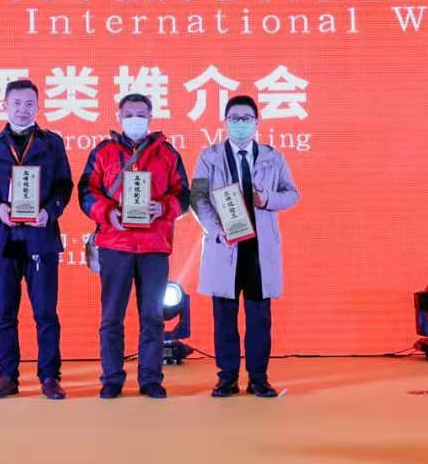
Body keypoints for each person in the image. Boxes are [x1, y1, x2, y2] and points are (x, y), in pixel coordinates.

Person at [0, 79, 74, 400]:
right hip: (3, 239)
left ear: (38, 107)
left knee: (46, 313)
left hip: (41, 237)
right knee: (4, 314)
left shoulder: (51, 143)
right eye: (17, 103)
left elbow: (64, 185)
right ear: (4, 106)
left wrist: (50, 211)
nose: (23, 109)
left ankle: (50, 377)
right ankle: (7, 376)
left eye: (29, 104)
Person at [77, 93, 190, 399]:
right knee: (111, 318)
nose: (135, 119)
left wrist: (163, 207)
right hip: (115, 244)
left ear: (151, 117)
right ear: (119, 116)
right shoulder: (103, 152)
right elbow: (86, 192)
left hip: (154, 246)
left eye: (141, 114)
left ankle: (150, 379)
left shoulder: (167, 153)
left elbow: (184, 195)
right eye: (129, 114)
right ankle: (111, 379)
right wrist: (107, 213)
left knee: (152, 317)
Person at [190, 94, 300, 398]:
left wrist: (267, 200)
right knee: (224, 316)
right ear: (225, 122)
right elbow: (197, 196)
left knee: (259, 317)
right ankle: (226, 378)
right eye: (234, 119)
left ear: (256, 123)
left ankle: (258, 378)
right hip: (225, 246)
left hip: (259, 250)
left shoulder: (272, 157)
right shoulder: (209, 156)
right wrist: (216, 230)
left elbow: (292, 194)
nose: (240, 123)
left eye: (246, 118)